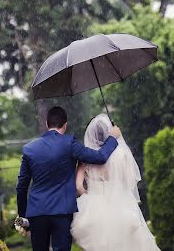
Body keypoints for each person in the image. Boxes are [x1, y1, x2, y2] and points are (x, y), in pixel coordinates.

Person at [16, 106, 121, 251]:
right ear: (65, 125)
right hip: (62, 212)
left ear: (47, 125)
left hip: (37, 213)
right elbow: (100, 157)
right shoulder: (69, 143)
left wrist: (22, 217)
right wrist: (112, 138)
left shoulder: (29, 149)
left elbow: (21, 186)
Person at [71, 113, 161, 251]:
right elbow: (129, 181)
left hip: (95, 210)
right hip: (121, 205)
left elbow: (78, 186)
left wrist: (91, 195)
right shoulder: (120, 155)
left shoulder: (86, 158)